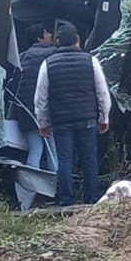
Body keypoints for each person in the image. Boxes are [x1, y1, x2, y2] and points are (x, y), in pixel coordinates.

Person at [34, 22, 112, 206]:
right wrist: (104, 117)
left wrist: (42, 123)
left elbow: (40, 97)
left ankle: (66, 199)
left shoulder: (48, 64)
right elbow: (102, 92)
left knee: (64, 160)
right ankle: (91, 197)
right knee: (89, 159)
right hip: (87, 119)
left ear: (59, 42)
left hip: (61, 121)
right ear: (78, 40)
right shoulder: (90, 61)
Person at [13, 23, 57, 170]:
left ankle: (31, 185)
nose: (50, 35)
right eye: (46, 33)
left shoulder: (22, 57)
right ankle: (54, 186)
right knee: (52, 150)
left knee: (35, 148)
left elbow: (15, 84)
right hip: (46, 110)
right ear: (39, 38)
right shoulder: (52, 55)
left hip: (25, 110)